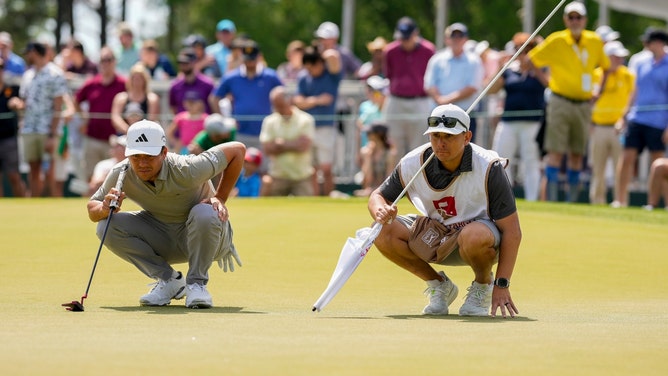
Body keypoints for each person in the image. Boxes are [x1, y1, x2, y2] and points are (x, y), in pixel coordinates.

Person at [367, 103, 521, 318]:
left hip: (479, 240)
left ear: (467, 137)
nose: (440, 143)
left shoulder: (488, 167)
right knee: (380, 230)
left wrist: (502, 284)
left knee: (473, 235)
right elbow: (377, 195)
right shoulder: (413, 162)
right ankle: (439, 286)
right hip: (436, 234)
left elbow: (512, 231)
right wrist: (380, 210)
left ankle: (483, 285)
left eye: (449, 136)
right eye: (435, 135)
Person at [88, 120, 245, 308]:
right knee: (106, 225)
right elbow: (93, 206)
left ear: (164, 152)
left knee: (204, 212)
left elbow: (237, 150)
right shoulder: (122, 172)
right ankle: (170, 281)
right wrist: (104, 208)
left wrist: (220, 197)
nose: (142, 163)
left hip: (209, 237)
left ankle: (197, 285)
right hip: (164, 237)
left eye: (149, 156)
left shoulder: (187, 167)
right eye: (135, 157)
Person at [527, 1, 610, 202]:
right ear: (566, 20)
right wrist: (547, 83)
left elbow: (606, 67)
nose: (575, 21)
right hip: (560, 101)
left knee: (577, 153)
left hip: (583, 104)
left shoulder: (595, 40)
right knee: (555, 151)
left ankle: (570, 201)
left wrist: (598, 90)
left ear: (585, 20)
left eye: (578, 17)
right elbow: (531, 59)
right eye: (571, 17)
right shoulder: (557, 40)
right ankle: (554, 200)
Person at [488, 32, 547, 202]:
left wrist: (534, 66)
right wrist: (500, 67)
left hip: (532, 123)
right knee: (501, 161)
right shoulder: (509, 72)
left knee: (531, 163)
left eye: (528, 50)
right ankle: (503, 201)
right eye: (519, 50)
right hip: (508, 122)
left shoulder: (540, 70)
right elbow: (490, 90)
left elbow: (548, 84)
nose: (523, 54)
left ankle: (531, 200)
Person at [614, 29, 668, 208]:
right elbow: (634, 92)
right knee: (627, 158)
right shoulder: (642, 62)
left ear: (659, 42)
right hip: (637, 118)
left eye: (649, 42)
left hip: (659, 121)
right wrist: (624, 116)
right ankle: (620, 200)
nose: (646, 45)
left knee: (659, 164)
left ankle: (661, 203)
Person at [15, 42, 68, 197]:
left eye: (28, 53)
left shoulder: (55, 74)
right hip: (29, 128)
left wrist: (52, 134)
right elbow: (24, 101)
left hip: (48, 130)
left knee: (49, 170)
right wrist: (17, 104)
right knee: (33, 168)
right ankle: (34, 204)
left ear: (35, 52)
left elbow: (58, 107)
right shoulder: (27, 75)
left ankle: (52, 204)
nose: (27, 56)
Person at [210, 40, 282, 152]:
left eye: (252, 58)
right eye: (247, 58)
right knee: (240, 168)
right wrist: (224, 122)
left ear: (259, 57)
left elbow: (284, 97)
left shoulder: (270, 76)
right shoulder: (231, 77)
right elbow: (214, 98)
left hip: (266, 133)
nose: (250, 62)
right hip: (239, 133)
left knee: (264, 168)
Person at [589, 41, 634, 205]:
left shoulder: (628, 75)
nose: (620, 60)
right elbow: (590, 99)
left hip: (620, 128)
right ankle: (597, 202)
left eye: (621, 57)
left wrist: (624, 119)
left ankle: (621, 202)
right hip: (599, 127)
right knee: (598, 169)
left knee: (621, 170)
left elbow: (632, 99)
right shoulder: (596, 74)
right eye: (616, 57)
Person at [293, 45, 342, 196]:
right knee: (312, 169)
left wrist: (320, 53)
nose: (309, 71)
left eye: (312, 66)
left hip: (325, 127)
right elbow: (298, 101)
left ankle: (328, 196)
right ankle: (315, 199)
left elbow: (333, 56)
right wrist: (318, 100)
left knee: (326, 168)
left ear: (320, 63)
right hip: (307, 128)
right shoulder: (303, 77)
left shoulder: (331, 75)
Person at [382, 16, 435, 157]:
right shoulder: (390, 51)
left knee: (419, 147)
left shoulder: (428, 50)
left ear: (415, 33)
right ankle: (394, 179)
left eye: (407, 37)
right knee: (393, 146)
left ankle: (416, 179)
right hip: (396, 100)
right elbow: (389, 74)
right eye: (402, 38)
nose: (404, 41)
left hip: (419, 101)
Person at [74, 46, 127, 181]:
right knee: (91, 177)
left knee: (113, 178)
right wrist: (84, 119)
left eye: (109, 60)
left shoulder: (123, 84)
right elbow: (76, 100)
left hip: (115, 141)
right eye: (103, 60)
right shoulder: (91, 83)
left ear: (114, 61)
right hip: (92, 138)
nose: (106, 63)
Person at [424, 22, 484, 138]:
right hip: (439, 115)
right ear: (447, 39)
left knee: (466, 151)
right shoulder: (437, 59)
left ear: (465, 39)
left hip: (465, 113)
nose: (456, 39)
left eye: (460, 36)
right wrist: (440, 100)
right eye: (453, 36)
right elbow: (429, 84)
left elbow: (472, 87)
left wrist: (445, 100)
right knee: (438, 150)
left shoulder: (474, 61)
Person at [259, 86, 315, 197]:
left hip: (301, 177)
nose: (277, 108)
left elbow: (303, 147)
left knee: (306, 211)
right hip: (277, 176)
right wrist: (294, 144)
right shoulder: (269, 121)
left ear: (289, 101)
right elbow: (267, 149)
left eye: (280, 105)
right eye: (275, 105)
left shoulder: (306, 119)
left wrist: (280, 144)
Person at [0, 56, 25, 197]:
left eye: (1, 67)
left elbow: (23, 103)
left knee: (14, 176)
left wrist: (17, 103)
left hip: (9, 139)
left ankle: (24, 204)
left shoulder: (12, 89)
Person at [110, 63, 160, 134]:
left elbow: (152, 120)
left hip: (145, 136)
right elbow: (115, 117)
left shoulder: (151, 99)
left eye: (140, 78)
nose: (137, 81)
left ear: (145, 80)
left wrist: (139, 133)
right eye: (135, 78)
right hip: (124, 136)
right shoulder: (121, 98)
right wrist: (129, 131)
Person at [355, 122, 397, 197]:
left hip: (384, 191)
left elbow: (389, 179)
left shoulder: (390, 154)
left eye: (370, 133)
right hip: (369, 189)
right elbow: (366, 180)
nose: (368, 135)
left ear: (378, 134)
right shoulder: (366, 152)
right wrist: (368, 158)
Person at [169, 48, 215, 115]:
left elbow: (213, 107)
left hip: (203, 124)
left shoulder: (208, 84)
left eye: (186, 62)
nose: (183, 65)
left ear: (194, 62)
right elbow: (173, 108)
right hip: (182, 125)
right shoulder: (175, 86)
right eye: (181, 63)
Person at [356, 75, 389, 165]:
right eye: (369, 90)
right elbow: (360, 127)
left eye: (375, 92)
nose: (372, 94)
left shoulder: (389, 107)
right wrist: (358, 152)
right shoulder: (365, 107)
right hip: (367, 147)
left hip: (384, 148)